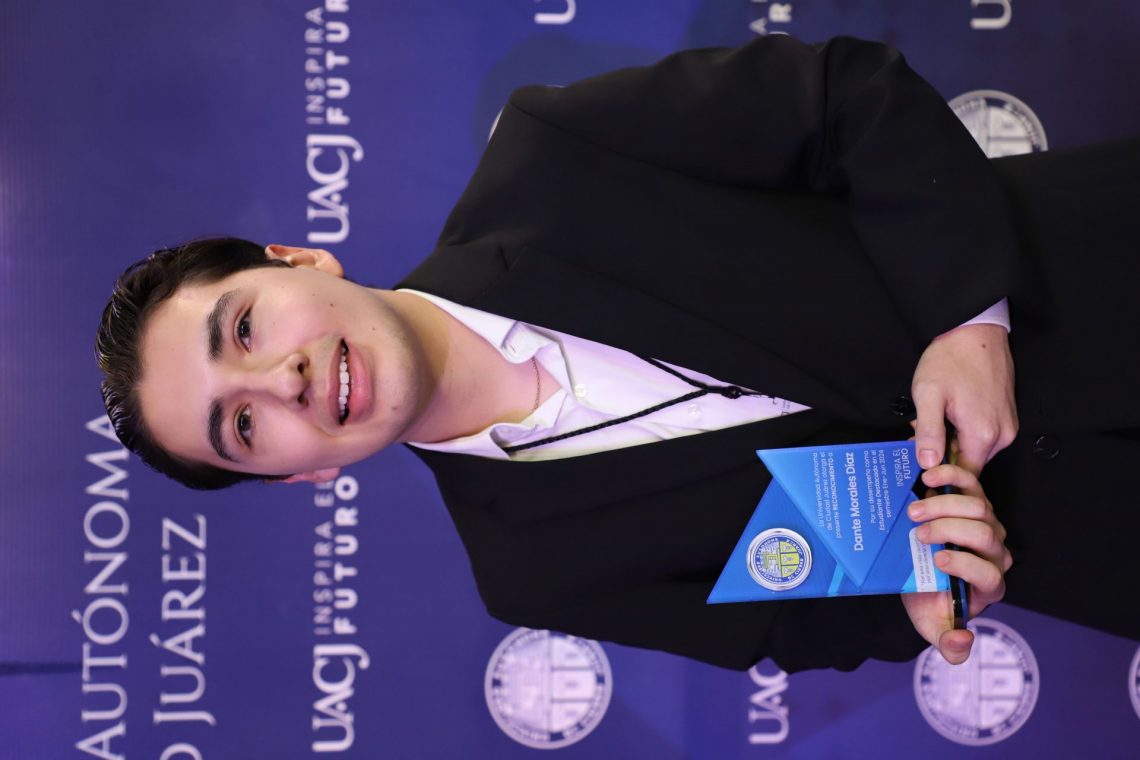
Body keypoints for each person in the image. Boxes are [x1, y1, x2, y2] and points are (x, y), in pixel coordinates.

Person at [95, 35, 1140, 673]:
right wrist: (912, 607)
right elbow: (783, 630)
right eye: (242, 425)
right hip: (1097, 544)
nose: (279, 381)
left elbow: (845, 97)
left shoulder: (553, 157)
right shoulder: (532, 573)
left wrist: (967, 318)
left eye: (244, 328)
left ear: (296, 258)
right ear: (299, 475)